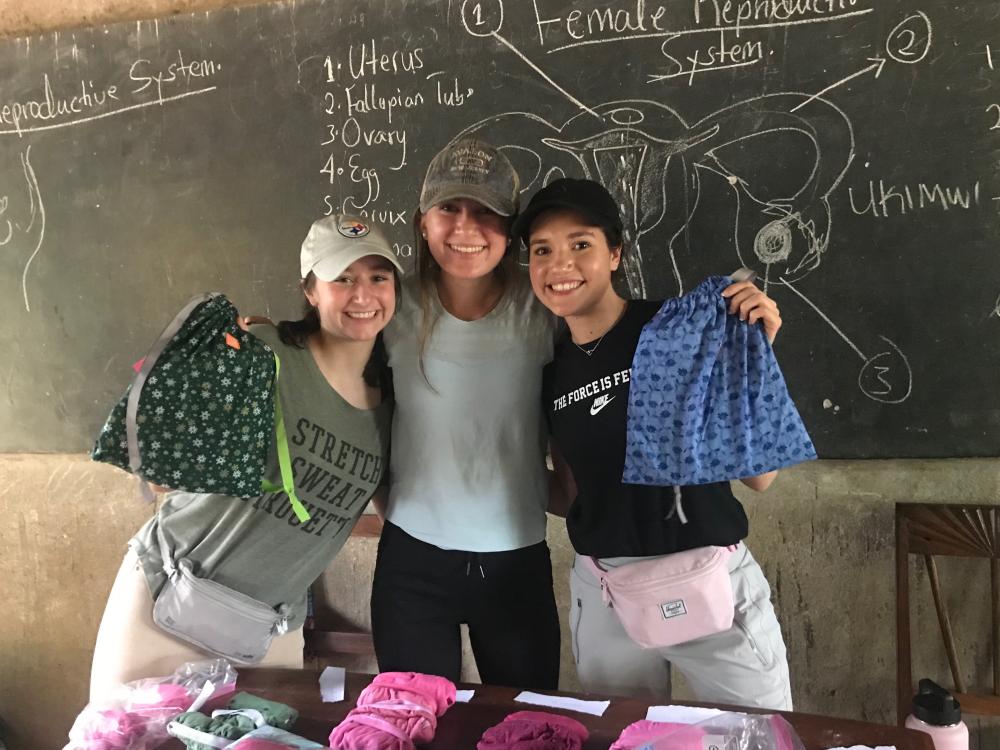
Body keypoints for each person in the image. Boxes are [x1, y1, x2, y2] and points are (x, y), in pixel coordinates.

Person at [89, 214, 402, 700]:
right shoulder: (262, 353)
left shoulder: (392, 403)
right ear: (312, 291)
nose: (363, 295)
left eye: (378, 277)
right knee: (124, 735)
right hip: (167, 597)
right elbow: (163, 464)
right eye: (342, 278)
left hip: (268, 631)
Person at [514, 177, 793, 709]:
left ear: (615, 254)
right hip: (609, 594)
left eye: (581, 245)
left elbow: (761, 477)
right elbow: (572, 492)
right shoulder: (549, 371)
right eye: (542, 251)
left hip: (711, 578)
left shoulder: (679, 328)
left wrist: (752, 357)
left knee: (761, 739)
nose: (560, 265)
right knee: (622, 742)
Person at [370, 137, 561, 689]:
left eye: (485, 212)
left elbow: (621, 341)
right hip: (412, 562)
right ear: (422, 222)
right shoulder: (389, 304)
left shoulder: (545, 305)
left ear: (513, 227)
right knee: (414, 727)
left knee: (528, 728)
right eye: (448, 209)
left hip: (515, 558)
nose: (465, 228)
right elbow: (327, 362)